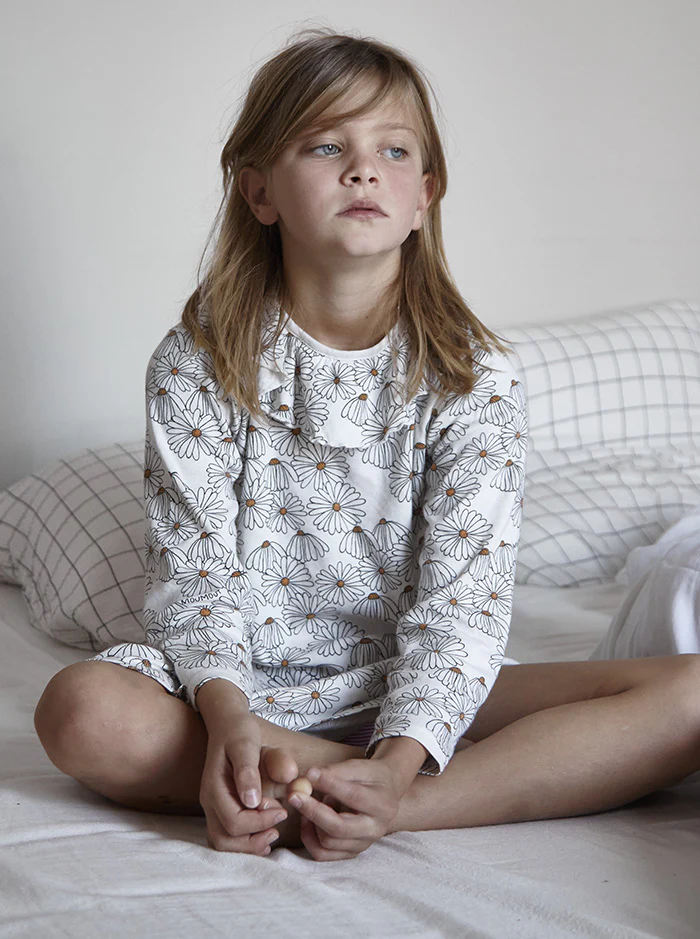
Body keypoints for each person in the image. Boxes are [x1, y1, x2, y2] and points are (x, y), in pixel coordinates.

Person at [33, 26, 700, 864]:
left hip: (411, 688)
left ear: (424, 196)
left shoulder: (474, 378)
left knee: (692, 695)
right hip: (237, 691)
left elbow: (461, 607)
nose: (363, 169)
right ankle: (315, 780)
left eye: (393, 149)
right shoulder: (195, 364)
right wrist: (231, 726)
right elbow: (195, 581)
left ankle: (390, 801)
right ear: (259, 191)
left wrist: (399, 760)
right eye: (326, 146)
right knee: (80, 709)